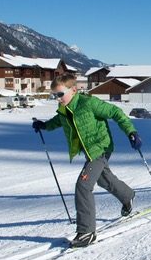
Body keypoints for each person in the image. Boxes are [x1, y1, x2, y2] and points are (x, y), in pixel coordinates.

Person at [32, 73, 142, 248]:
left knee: (83, 185)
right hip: (89, 151)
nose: (58, 99)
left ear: (74, 90)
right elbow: (58, 121)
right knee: (104, 179)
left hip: (101, 148)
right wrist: (44, 125)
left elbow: (115, 112)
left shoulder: (88, 103)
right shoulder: (65, 109)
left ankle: (87, 232)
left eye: (60, 94)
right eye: (54, 95)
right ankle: (128, 196)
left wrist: (131, 132)